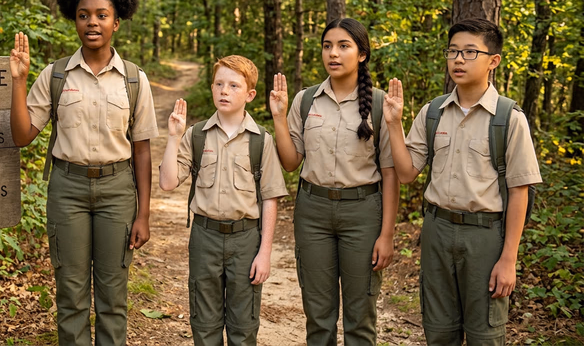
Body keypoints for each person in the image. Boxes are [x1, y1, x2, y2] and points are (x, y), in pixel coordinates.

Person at [10, 0, 158, 346]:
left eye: (101, 15)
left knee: (113, 296)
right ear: (74, 21)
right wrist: (19, 80)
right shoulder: (55, 75)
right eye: (83, 15)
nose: (92, 22)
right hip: (68, 190)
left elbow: (141, 149)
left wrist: (143, 214)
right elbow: (21, 136)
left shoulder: (134, 80)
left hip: (117, 192)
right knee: (71, 295)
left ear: (116, 22)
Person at [384, 18, 542, 345]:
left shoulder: (508, 118)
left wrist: (508, 259)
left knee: (485, 333)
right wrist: (395, 123)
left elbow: (519, 192)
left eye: (470, 52)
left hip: (485, 235)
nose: (458, 59)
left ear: (493, 61)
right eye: (453, 51)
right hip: (437, 231)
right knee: (439, 330)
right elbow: (406, 173)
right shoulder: (433, 112)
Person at [270, 18, 399, 346]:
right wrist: (279, 118)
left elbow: (391, 173)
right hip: (312, 212)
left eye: (344, 46)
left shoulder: (381, 103)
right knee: (318, 314)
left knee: (360, 316)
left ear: (362, 55)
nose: (334, 53)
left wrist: (386, 234)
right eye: (328, 46)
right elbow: (289, 162)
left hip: (363, 214)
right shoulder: (306, 100)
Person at [159, 55, 288, 346]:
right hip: (205, 237)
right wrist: (173, 137)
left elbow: (270, 198)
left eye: (233, 85)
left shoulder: (261, 140)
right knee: (204, 325)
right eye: (219, 84)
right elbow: (167, 183)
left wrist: (264, 252)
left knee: (243, 327)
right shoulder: (196, 135)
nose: (224, 91)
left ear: (250, 94)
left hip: (246, 240)